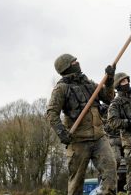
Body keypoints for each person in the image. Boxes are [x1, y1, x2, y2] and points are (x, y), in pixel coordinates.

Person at [45, 54, 117, 195]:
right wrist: (62, 133)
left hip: (99, 138)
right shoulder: (61, 89)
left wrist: (109, 81)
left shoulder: (88, 84)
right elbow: (51, 113)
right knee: (76, 183)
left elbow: (109, 98)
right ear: (66, 66)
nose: (77, 62)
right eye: (74, 61)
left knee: (110, 171)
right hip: (78, 141)